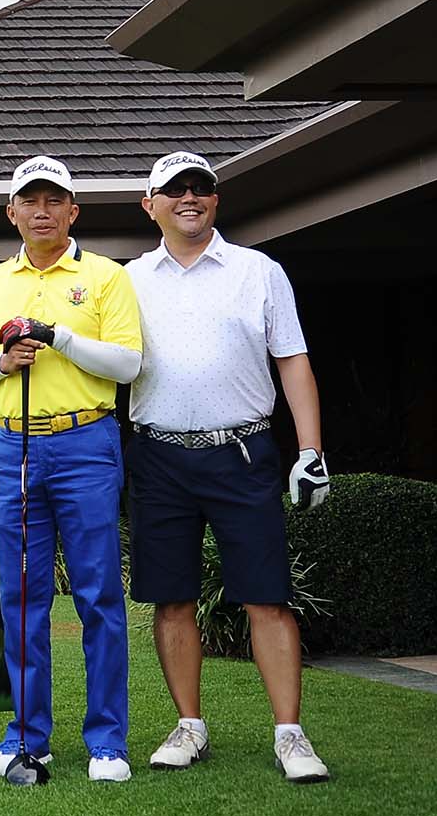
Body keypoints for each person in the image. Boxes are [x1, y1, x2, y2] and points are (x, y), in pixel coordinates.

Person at [125, 151, 332, 784]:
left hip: (242, 453)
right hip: (158, 454)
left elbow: (292, 359)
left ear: (215, 200)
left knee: (266, 597)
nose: (190, 198)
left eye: (202, 189)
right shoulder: (128, 279)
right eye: (175, 190)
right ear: (150, 205)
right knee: (171, 599)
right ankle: (189, 725)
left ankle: (290, 735)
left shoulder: (258, 271)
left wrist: (310, 452)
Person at [0, 155, 143, 783]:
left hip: (86, 441)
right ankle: (27, 737)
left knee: (97, 595)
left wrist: (58, 336)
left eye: (54, 200)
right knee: (23, 595)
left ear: (72, 211)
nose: (42, 211)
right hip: (13, 444)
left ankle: (107, 743)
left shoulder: (107, 277)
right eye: (29, 201)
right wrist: (2, 365)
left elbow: (125, 366)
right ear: (12, 213)